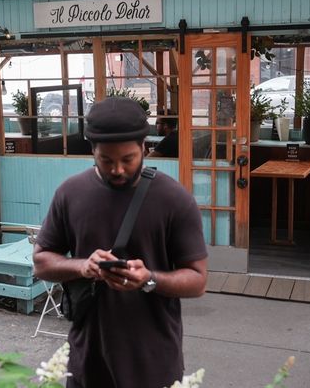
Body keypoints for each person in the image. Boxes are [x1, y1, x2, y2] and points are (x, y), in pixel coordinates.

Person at [33, 97, 208, 388]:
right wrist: (83, 266)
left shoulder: (175, 200)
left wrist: (149, 279)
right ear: (93, 151)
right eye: (106, 160)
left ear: (144, 147)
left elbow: (198, 280)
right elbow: (41, 262)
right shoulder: (70, 193)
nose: (117, 170)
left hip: (153, 361)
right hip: (86, 358)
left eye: (128, 159)